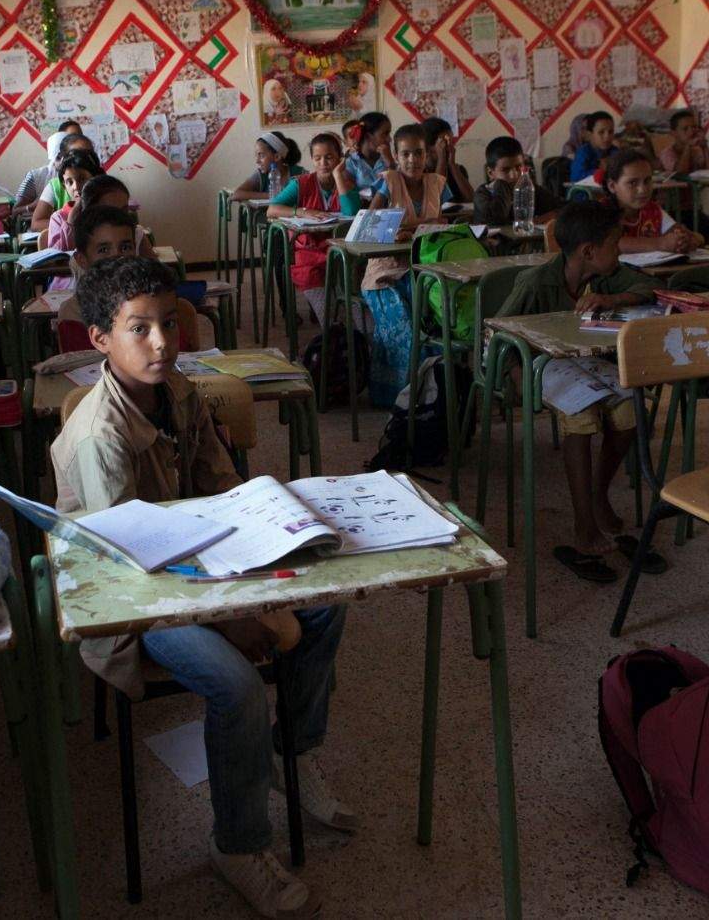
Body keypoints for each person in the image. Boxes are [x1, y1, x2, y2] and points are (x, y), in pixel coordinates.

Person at [50, 256, 351, 919]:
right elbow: (136, 568)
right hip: (136, 605)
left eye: (169, 325)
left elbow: (220, 488)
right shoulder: (100, 436)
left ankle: (284, 754)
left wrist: (270, 539)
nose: (160, 343)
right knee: (236, 685)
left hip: (207, 570)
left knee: (326, 606)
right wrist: (230, 619)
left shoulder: (181, 392)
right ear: (100, 338)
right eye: (139, 329)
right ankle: (238, 845)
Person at [500, 201, 657, 578]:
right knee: (582, 415)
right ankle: (583, 522)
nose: (619, 250)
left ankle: (598, 494)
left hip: (581, 362)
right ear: (589, 252)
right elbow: (498, 333)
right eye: (615, 244)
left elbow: (649, 286)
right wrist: (520, 380)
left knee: (631, 408)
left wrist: (612, 299)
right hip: (536, 365)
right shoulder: (536, 283)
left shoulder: (605, 276)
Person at [362, 124, 447, 408]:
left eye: (419, 153)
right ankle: (399, 398)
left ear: (428, 155)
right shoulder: (389, 181)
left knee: (437, 326)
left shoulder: (436, 183)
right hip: (385, 275)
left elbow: (442, 223)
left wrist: (414, 228)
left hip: (424, 272)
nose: (413, 160)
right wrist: (410, 227)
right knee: (406, 329)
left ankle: (430, 394)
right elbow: (368, 227)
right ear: (396, 157)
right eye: (406, 154)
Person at [265, 131, 361, 327]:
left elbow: (352, 212)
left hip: (341, 253)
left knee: (357, 310)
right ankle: (333, 341)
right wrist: (302, 212)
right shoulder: (301, 183)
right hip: (309, 254)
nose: (323, 163)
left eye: (329, 157)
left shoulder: (346, 181)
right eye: (317, 158)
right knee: (329, 316)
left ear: (339, 158)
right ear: (312, 160)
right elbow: (272, 209)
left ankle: (360, 345)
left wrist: (338, 176)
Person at [600, 150, 702, 254]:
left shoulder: (653, 210)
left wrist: (683, 240)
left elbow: (683, 234)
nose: (642, 189)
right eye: (632, 183)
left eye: (647, 181)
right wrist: (661, 243)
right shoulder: (601, 211)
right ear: (612, 186)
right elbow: (614, 244)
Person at [473, 136, 558, 243]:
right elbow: (498, 219)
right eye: (505, 170)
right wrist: (501, 185)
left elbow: (560, 208)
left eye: (518, 167)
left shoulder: (529, 189)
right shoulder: (483, 195)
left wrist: (538, 220)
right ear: (490, 173)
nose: (514, 175)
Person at [42, 149, 108, 252]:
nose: (76, 187)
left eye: (82, 179)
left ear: (95, 178)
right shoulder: (58, 218)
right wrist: (70, 222)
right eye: (69, 182)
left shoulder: (105, 212)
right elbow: (58, 256)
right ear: (64, 186)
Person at [29, 134, 98, 231]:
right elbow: (36, 223)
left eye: (88, 154)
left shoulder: (105, 185)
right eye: (75, 153)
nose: (81, 158)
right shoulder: (56, 185)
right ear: (63, 158)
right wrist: (69, 223)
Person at [16, 127, 77, 209]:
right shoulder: (35, 177)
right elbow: (16, 210)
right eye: (59, 157)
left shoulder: (78, 174)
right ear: (54, 157)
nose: (64, 161)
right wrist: (36, 205)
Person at [232, 132, 304, 201]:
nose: (257, 161)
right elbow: (236, 194)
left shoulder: (299, 174)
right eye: (257, 155)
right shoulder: (260, 175)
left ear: (277, 156)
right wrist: (272, 195)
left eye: (261, 155)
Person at [421, 116, 471, 202]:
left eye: (451, 142)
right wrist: (441, 159)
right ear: (428, 147)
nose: (450, 147)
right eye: (444, 142)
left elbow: (471, 199)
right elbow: (436, 199)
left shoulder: (457, 169)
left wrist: (452, 165)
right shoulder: (420, 173)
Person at [343, 110, 393, 193]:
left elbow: (396, 190)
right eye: (385, 134)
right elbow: (352, 197)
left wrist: (391, 164)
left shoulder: (388, 159)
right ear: (368, 136)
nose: (390, 139)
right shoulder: (351, 163)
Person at [659, 108, 709, 174]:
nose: (691, 132)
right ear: (674, 133)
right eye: (685, 129)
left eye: (694, 127)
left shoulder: (698, 151)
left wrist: (704, 146)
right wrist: (688, 146)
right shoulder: (667, 154)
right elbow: (680, 173)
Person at [569, 111, 617, 183]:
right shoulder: (583, 153)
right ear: (589, 135)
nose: (607, 137)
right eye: (601, 132)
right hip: (586, 192)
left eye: (610, 132)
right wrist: (601, 171)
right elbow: (576, 178)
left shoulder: (615, 151)